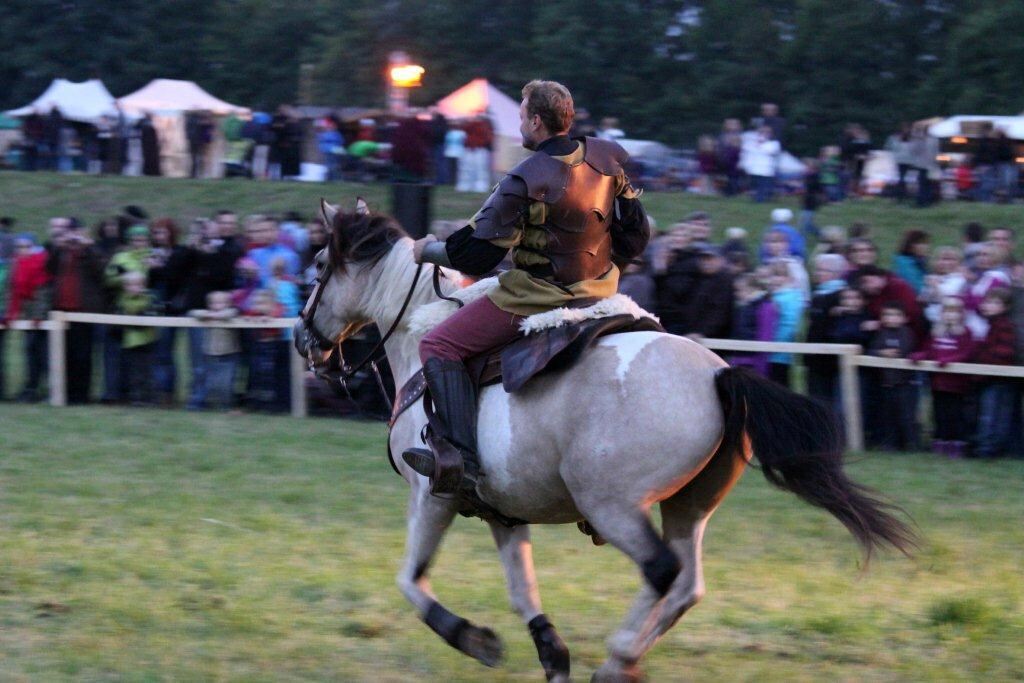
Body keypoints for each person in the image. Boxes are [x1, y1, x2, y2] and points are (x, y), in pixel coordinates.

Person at [405, 79, 650, 495]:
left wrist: (425, 250)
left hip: (536, 298)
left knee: (437, 345)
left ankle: (460, 461)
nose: (519, 122)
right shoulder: (608, 160)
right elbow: (636, 236)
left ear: (536, 121)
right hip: (601, 295)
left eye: (521, 115)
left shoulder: (525, 177)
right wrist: (603, 274)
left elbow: (474, 257)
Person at [49, 218, 106, 403]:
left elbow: (101, 271)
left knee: (83, 355)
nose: (72, 236)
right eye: (68, 231)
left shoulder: (90, 250)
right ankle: (64, 393)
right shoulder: (60, 251)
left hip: (83, 310)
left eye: (75, 231)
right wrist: (59, 247)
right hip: (61, 311)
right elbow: (48, 268)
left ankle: (81, 395)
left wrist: (86, 248)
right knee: (64, 354)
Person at [910, 297, 974, 457]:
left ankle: (956, 445)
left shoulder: (965, 332)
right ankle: (940, 442)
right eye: (947, 312)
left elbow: (968, 353)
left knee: (955, 414)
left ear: (961, 315)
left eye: (954, 312)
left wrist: (950, 360)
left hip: (956, 384)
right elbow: (929, 350)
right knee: (939, 413)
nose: (950, 316)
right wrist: (920, 355)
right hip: (937, 382)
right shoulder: (936, 332)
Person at [5, 234, 51, 402]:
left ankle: (50, 389)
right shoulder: (15, 264)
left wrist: (38, 314)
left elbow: (43, 292)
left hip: (40, 317)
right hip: (26, 315)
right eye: (19, 247)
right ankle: (31, 388)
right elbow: (12, 291)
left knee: (45, 354)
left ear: (32, 247)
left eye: (26, 246)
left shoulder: (41, 262)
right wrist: (9, 314)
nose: (22, 250)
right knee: (29, 353)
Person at [973, 288, 1017, 458]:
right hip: (988, 376)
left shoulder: (1004, 326)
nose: (989, 306)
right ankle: (986, 446)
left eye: (995, 303)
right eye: (988, 302)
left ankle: (989, 449)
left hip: (998, 376)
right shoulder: (989, 324)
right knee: (989, 412)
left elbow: (1004, 352)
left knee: (993, 414)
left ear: (1005, 307)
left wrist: (983, 357)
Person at [868, 302, 918, 451]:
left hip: (905, 382)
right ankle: (890, 444)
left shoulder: (907, 333)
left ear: (904, 318)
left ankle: (911, 445)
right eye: (888, 315)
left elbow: (907, 351)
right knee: (887, 416)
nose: (892, 318)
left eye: (896, 315)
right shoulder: (880, 333)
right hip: (885, 383)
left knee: (906, 415)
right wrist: (880, 353)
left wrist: (891, 353)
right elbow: (870, 350)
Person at [804, 254, 848, 408]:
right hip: (814, 357)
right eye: (817, 270)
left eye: (822, 270)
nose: (818, 274)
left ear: (835, 273)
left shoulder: (840, 296)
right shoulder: (818, 295)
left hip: (829, 360)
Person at [189, 291, 241, 410]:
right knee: (212, 381)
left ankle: (226, 404)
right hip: (211, 353)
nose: (218, 305)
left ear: (228, 303)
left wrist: (215, 316)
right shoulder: (206, 314)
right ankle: (213, 402)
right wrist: (208, 314)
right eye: (214, 303)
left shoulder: (231, 312)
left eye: (222, 302)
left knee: (227, 381)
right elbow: (192, 313)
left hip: (229, 353)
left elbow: (231, 313)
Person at [766, 262, 805, 387]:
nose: (775, 279)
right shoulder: (775, 296)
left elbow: (790, 325)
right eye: (772, 275)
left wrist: (775, 344)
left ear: (789, 278)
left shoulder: (790, 298)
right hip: (769, 351)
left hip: (779, 352)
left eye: (779, 275)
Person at [892, 229, 931, 294]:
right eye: (921, 243)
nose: (925, 247)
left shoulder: (921, 262)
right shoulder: (904, 263)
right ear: (911, 245)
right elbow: (916, 288)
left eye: (926, 243)